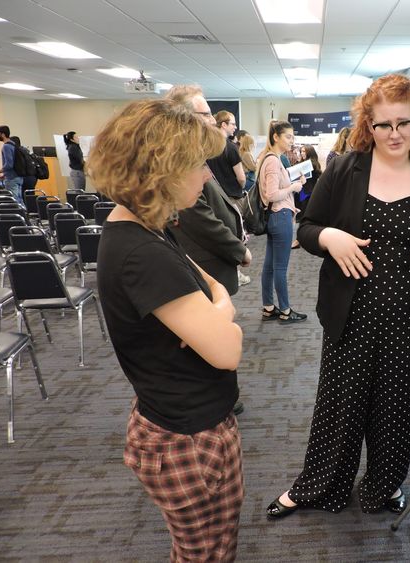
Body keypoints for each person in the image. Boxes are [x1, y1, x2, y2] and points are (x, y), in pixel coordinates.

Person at [266, 74, 410, 518]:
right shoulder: (345, 170)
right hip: (351, 313)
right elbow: (306, 225)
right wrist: (330, 239)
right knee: (341, 405)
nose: (395, 134)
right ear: (369, 125)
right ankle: (319, 485)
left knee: (396, 409)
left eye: (405, 123)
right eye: (384, 125)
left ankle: (383, 486)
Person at [89, 98, 245, 561]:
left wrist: (214, 310)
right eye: (197, 164)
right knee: (206, 554)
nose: (206, 175)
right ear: (163, 170)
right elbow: (227, 350)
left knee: (212, 545)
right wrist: (219, 315)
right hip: (187, 439)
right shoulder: (143, 252)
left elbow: (215, 287)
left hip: (184, 419)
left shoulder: (148, 228)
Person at [164, 85, 252, 297]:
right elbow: (197, 216)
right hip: (203, 261)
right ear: (183, 118)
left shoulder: (193, 152)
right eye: (206, 114)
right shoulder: (180, 159)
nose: (212, 120)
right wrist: (238, 249)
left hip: (211, 260)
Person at [258, 120, 307, 324]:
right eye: (287, 136)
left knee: (270, 266)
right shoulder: (272, 160)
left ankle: (269, 307)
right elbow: (271, 194)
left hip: (278, 216)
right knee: (279, 267)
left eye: (293, 137)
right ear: (275, 137)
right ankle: (285, 310)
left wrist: (294, 185)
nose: (291, 141)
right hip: (280, 218)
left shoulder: (272, 159)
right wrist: (293, 189)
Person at [209, 111, 246, 198]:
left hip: (215, 197)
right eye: (233, 124)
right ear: (224, 125)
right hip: (232, 198)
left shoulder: (208, 146)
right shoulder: (231, 148)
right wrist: (242, 186)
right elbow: (241, 178)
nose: (235, 127)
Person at [0, 125, 23, 202]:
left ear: (3, 134)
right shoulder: (13, 144)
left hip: (11, 178)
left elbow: (9, 165)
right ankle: (24, 213)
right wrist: (4, 174)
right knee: (19, 200)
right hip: (18, 177)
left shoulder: (6, 146)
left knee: (14, 201)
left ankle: (18, 213)